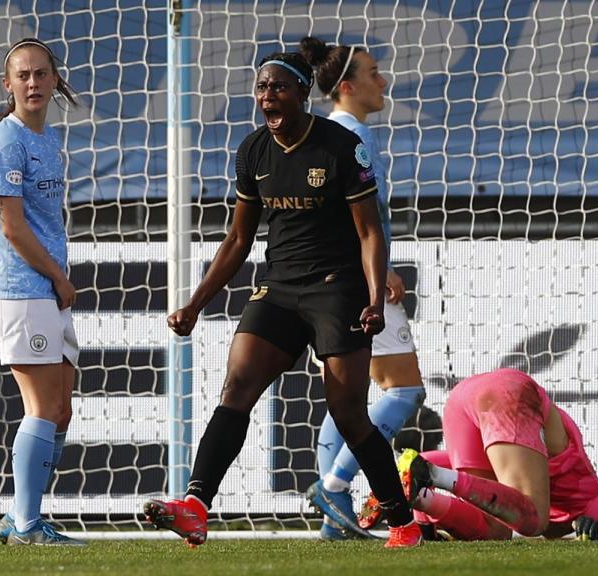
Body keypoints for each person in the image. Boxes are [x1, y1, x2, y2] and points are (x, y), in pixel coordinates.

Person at [143, 51, 422, 548]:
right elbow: (237, 240)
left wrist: (375, 297)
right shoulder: (252, 151)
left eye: (277, 88)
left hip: (338, 289)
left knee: (349, 414)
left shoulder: (341, 146)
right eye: (260, 88)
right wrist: (195, 303)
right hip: (279, 287)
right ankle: (195, 505)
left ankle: (402, 522)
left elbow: (370, 232)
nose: (267, 96)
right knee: (237, 386)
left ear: (301, 93)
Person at [297, 36, 427, 541]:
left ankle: (336, 520)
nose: (384, 80)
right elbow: (350, 216)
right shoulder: (350, 136)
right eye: (374, 72)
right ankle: (334, 485)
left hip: (328, 281)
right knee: (403, 390)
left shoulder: (326, 133)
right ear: (347, 86)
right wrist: (380, 270)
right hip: (359, 281)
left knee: (346, 398)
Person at [362, 368, 598, 541]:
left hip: (463, 399)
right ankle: (433, 483)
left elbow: (425, 461)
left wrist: (425, 520)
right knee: (533, 521)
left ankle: (423, 499)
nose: (566, 536)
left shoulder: (517, 473)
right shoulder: (589, 501)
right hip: (508, 395)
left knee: (497, 529)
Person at [0, 37, 85, 547]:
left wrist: (56, 281)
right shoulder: (7, 141)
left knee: (60, 409)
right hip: (19, 289)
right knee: (41, 407)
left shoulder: (47, 139)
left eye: (42, 74)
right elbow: (13, 227)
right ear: (9, 84)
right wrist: (61, 278)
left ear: (56, 79)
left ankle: (23, 516)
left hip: (43, 290)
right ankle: (24, 526)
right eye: (23, 75)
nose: (34, 83)